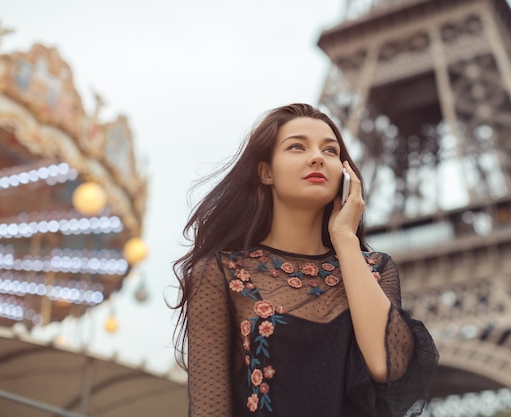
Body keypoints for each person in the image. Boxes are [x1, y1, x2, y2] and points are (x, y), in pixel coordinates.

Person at [172, 103, 438, 417]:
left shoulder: (374, 268)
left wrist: (345, 239)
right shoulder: (222, 273)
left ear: (345, 174)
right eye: (297, 147)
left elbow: (387, 365)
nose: (317, 157)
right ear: (266, 172)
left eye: (330, 151)